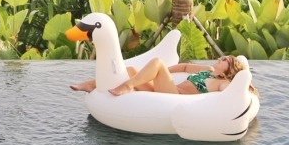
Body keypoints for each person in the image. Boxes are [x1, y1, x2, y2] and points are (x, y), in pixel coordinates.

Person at [70, 54, 249, 95]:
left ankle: (128, 86)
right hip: (167, 88)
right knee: (131, 70)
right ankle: (92, 84)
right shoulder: (208, 70)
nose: (220, 57)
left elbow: (235, 91)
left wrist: (159, 68)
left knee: (156, 62)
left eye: (225, 59)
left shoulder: (221, 84)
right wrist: (162, 72)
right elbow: (186, 67)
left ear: (230, 68)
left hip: (176, 96)